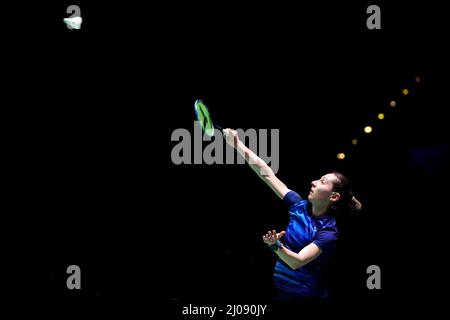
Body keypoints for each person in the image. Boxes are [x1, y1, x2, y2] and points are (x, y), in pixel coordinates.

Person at [223, 128, 362, 302]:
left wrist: (276, 245)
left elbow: (297, 261)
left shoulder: (328, 231)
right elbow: (265, 173)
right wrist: (238, 145)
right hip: (282, 292)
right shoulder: (299, 206)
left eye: (322, 182)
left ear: (334, 197)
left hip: (307, 298)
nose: (314, 182)